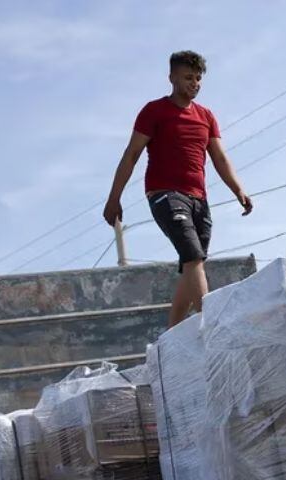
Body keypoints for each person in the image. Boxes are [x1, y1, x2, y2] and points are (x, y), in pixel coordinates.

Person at [103, 50, 253, 328]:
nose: (194, 83)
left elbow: (219, 157)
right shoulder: (154, 111)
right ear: (171, 77)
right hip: (165, 194)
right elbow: (131, 154)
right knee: (193, 257)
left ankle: (171, 337)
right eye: (187, 77)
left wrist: (238, 190)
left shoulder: (206, 116)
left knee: (191, 264)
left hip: (199, 199)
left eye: (198, 78)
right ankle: (212, 327)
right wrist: (114, 198)